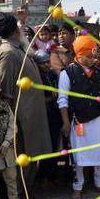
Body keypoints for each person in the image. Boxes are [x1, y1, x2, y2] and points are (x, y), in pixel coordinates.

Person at [0, 12, 51, 198]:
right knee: (23, 158)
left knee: (32, 155)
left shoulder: (18, 47)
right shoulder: (9, 53)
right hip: (22, 118)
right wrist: (12, 122)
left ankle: (27, 190)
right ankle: (18, 196)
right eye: (18, 26)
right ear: (13, 30)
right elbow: (5, 90)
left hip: (32, 114)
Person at [58, 35, 100, 199]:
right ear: (79, 55)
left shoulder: (98, 72)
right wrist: (66, 122)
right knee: (79, 156)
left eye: (95, 56)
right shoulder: (67, 73)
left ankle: (99, 182)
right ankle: (78, 186)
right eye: (89, 57)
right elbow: (62, 100)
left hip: (99, 119)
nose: (93, 60)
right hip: (79, 120)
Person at [34, 51, 63, 189]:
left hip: (55, 115)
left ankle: (52, 176)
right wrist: (50, 99)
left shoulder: (51, 74)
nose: (46, 65)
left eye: (47, 62)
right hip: (43, 117)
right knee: (46, 148)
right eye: (42, 63)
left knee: (55, 147)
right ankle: (43, 178)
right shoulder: (36, 77)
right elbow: (36, 99)